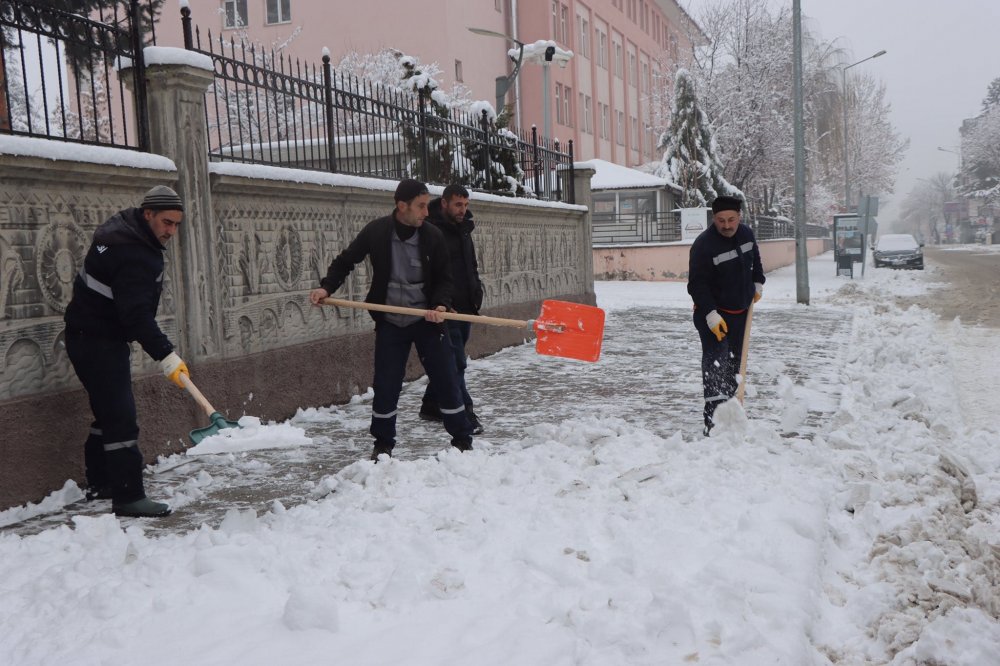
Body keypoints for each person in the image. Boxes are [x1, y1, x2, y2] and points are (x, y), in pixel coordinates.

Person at [308, 179, 474, 460]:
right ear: (402, 206)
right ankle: (383, 443)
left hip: (426, 321)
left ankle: (462, 439)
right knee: (386, 383)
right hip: (391, 323)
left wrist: (440, 305)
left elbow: (446, 279)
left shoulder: (432, 236)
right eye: (421, 206)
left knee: (446, 379)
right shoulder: (378, 232)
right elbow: (346, 260)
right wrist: (326, 287)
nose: (426, 212)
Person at [63, 185, 191, 517]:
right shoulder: (133, 252)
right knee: (121, 418)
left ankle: (101, 482)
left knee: (109, 411)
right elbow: (135, 317)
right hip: (97, 341)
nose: (170, 231)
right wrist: (166, 355)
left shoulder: (121, 232)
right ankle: (128, 496)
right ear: (147, 214)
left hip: (86, 336)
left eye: (176, 224)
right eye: (166, 222)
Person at [687, 195, 765, 436]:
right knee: (716, 366)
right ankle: (713, 424)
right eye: (721, 220)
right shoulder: (703, 245)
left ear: (739, 217)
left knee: (735, 366)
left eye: (731, 219)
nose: (727, 225)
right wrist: (710, 314)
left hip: (741, 313)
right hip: (714, 316)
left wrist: (758, 282)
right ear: (714, 218)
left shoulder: (747, 235)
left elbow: (756, 262)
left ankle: (733, 418)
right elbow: (697, 285)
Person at [418, 184, 485, 434]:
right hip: (446, 308)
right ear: (444, 203)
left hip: (467, 305)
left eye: (466, 205)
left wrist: (476, 292)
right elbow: (430, 273)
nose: (463, 210)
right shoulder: (432, 231)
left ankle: (431, 404)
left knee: (452, 359)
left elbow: (471, 264)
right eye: (458, 204)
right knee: (456, 363)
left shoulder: (464, 228)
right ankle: (465, 412)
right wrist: (442, 303)